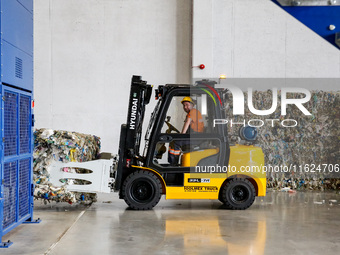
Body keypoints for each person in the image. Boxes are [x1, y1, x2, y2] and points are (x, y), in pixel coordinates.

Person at [168, 97, 204, 165]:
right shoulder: (194, 112)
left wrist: (182, 135)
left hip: (196, 138)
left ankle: (173, 164)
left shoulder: (193, 111)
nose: (185, 107)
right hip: (196, 137)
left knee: (175, 142)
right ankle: (173, 162)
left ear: (192, 105)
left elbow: (187, 122)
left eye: (187, 105)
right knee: (175, 140)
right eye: (184, 105)